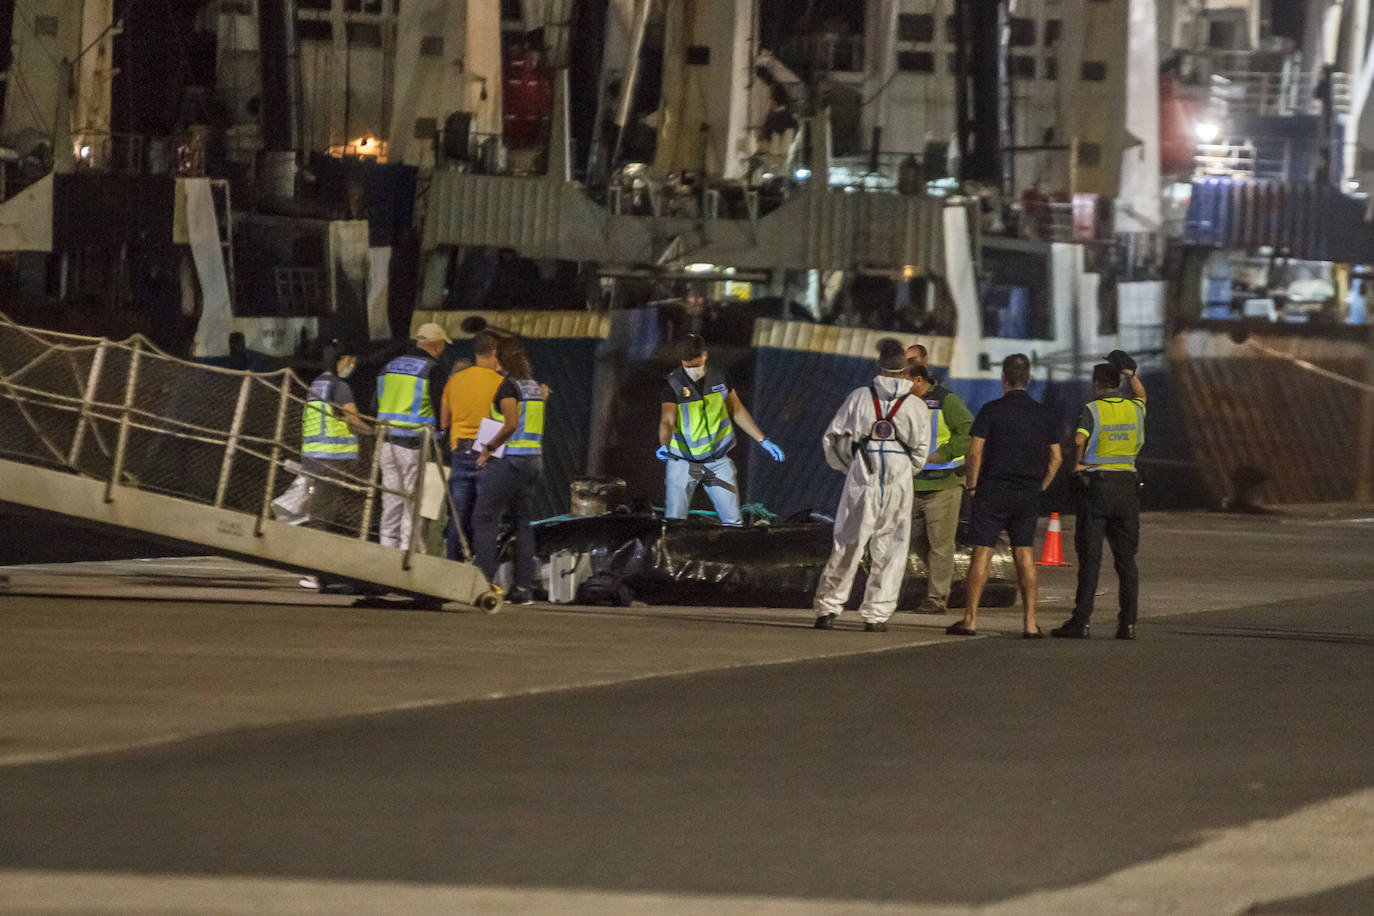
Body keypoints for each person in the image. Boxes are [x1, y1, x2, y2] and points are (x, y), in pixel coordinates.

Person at [813, 339, 930, 632]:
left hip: (862, 476)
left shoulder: (859, 397)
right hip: (898, 480)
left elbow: (833, 438)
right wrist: (904, 471)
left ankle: (827, 610)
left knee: (847, 543)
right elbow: (921, 452)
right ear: (906, 370)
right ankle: (875, 616)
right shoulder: (916, 406)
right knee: (891, 549)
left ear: (879, 366)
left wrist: (848, 466)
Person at [946, 353, 1061, 638]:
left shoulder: (991, 410)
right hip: (1027, 493)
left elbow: (975, 452)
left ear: (1004, 379)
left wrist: (972, 486)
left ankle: (970, 620)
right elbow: (1056, 458)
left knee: (982, 552)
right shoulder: (1043, 413)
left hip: (993, 491)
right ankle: (1030, 623)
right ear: (1028, 379)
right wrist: (1041, 485)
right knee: (1024, 553)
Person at [1052, 352, 1146, 640]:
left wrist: (1077, 464)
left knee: (1091, 560)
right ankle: (1127, 624)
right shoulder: (1135, 408)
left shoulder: (1093, 409)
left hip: (1098, 489)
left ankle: (1081, 622)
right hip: (1127, 489)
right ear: (1117, 383)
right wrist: (1131, 375)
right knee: (1126, 561)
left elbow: (1079, 439)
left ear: (1096, 384)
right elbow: (1141, 394)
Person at [657, 334, 784, 526]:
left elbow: (737, 410)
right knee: (674, 521)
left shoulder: (720, 377)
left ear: (704, 355)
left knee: (733, 522)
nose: (692, 370)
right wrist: (664, 444)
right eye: (687, 365)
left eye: (695, 364)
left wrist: (763, 440)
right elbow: (667, 420)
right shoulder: (673, 384)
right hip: (682, 461)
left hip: (717, 460)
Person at [471, 337, 546, 605]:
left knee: (484, 517)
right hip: (533, 461)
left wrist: (488, 448)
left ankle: (482, 584)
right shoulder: (533, 387)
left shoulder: (508, 386)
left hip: (512, 460)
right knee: (522, 521)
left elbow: (511, 424)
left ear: (499, 358)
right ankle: (523, 589)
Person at [907, 362, 974, 614]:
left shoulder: (948, 401)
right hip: (912, 484)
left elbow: (968, 431)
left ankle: (936, 598)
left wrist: (945, 453)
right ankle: (946, 581)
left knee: (940, 545)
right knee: (914, 540)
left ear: (918, 380)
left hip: (943, 484)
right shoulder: (902, 402)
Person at [376, 322, 449, 549]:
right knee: (412, 506)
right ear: (436, 344)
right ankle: (407, 558)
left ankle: (386, 555)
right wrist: (442, 433)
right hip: (414, 446)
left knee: (391, 504)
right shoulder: (432, 369)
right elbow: (439, 406)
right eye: (443, 344)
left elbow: (374, 404)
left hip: (386, 443)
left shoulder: (389, 366)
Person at [438, 328, 505, 560]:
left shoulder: (455, 381)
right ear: (494, 352)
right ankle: (482, 570)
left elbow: (444, 422)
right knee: (485, 518)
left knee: (458, 516)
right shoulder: (501, 383)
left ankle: (452, 565)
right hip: (488, 456)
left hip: (460, 453)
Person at [300, 340, 369, 534]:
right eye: (351, 361)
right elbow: (353, 419)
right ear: (342, 360)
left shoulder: (317, 384)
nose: (352, 366)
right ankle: (316, 541)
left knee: (317, 504)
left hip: (312, 455)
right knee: (323, 509)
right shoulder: (340, 387)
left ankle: (313, 534)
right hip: (332, 458)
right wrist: (373, 432)